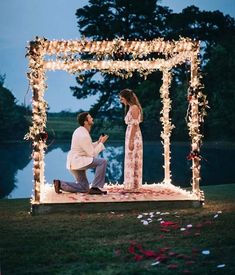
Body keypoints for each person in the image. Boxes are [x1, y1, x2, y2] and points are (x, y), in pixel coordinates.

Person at [53, 112, 109, 195]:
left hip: (74, 161)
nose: (92, 118)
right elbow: (92, 154)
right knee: (102, 162)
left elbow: (87, 147)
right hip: (78, 161)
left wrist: (98, 142)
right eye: (90, 118)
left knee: (84, 187)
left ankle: (60, 184)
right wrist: (101, 143)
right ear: (85, 122)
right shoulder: (84, 135)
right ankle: (95, 188)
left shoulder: (80, 130)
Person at [119, 88, 143, 190]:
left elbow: (134, 125)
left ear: (126, 98)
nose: (121, 101)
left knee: (133, 158)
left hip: (134, 136)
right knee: (130, 159)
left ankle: (134, 185)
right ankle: (131, 184)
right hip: (130, 135)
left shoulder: (134, 108)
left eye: (121, 98)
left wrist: (131, 141)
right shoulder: (130, 107)